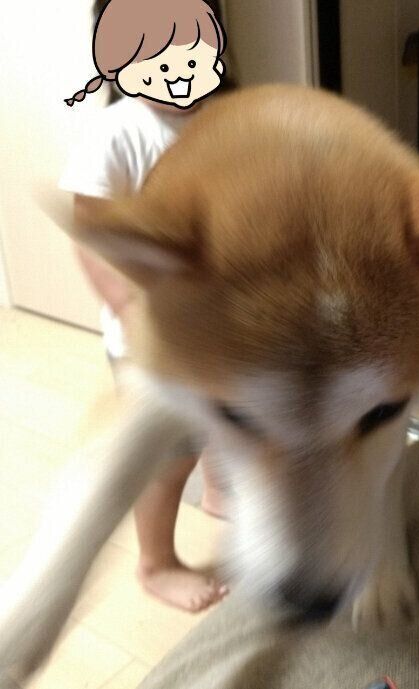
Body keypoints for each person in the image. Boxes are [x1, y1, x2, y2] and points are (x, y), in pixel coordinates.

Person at [59, 0, 236, 612]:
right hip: (152, 338)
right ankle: (155, 562)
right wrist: (128, 308)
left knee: (222, 417)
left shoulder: (221, 122)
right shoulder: (118, 132)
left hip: (215, 322)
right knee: (169, 452)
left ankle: (219, 492)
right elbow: (91, 233)